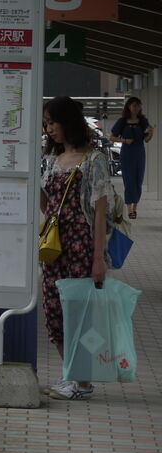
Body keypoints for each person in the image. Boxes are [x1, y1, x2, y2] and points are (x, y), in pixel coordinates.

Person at [40, 96, 112, 401]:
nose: (49, 129)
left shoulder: (94, 160)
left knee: (78, 313)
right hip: (54, 247)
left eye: (53, 122)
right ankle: (74, 375)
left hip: (81, 244)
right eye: (46, 124)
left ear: (67, 121)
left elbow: (99, 211)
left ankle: (80, 380)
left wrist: (98, 258)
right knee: (54, 310)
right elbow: (47, 205)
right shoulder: (52, 160)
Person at [110, 96, 153, 219]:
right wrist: (124, 140)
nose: (136, 108)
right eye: (134, 105)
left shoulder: (143, 120)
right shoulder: (122, 121)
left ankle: (135, 206)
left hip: (139, 152)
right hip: (127, 153)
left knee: (138, 180)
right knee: (129, 181)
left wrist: (151, 133)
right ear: (128, 107)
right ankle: (129, 209)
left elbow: (147, 139)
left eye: (138, 106)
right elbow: (112, 137)